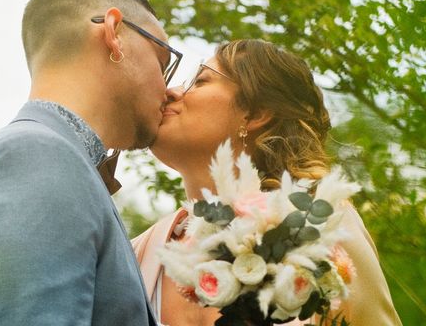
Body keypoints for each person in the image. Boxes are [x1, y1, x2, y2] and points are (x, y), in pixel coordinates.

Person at [0, 0, 182, 325]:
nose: (168, 89)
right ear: (114, 33)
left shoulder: (44, 158)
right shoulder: (34, 159)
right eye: (163, 60)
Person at [132, 39, 402, 326]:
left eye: (200, 81)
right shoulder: (138, 252)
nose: (171, 93)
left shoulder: (321, 223)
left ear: (256, 113)